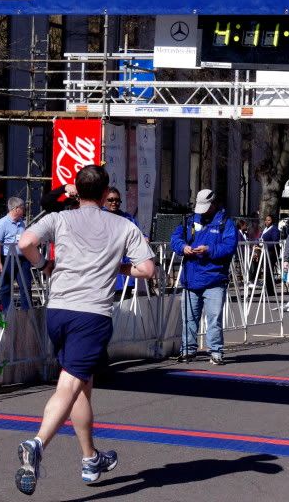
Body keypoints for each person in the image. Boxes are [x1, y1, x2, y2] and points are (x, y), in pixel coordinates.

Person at [13, 164, 155, 495]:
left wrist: (43, 265)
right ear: (106, 194)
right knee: (69, 384)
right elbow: (147, 269)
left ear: (76, 191)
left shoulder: (59, 218)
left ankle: (91, 458)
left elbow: (25, 242)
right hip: (91, 314)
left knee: (80, 384)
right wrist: (121, 267)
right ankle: (37, 444)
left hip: (58, 310)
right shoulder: (123, 225)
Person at [171, 188, 238, 365]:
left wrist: (209, 250)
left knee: (214, 318)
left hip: (215, 278)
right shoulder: (189, 220)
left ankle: (215, 352)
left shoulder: (226, 223)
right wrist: (183, 247)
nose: (202, 212)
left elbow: (229, 247)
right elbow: (175, 238)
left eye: (206, 207)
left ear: (214, 204)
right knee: (189, 318)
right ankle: (188, 350)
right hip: (191, 278)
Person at [0, 197, 33, 311]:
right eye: (22, 208)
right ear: (16, 209)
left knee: (26, 286)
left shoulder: (22, 223)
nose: (24, 210)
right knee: (5, 288)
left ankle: (27, 314)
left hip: (22, 259)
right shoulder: (2, 223)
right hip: (8, 258)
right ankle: (5, 315)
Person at [103, 187, 141, 296]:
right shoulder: (99, 216)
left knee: (126, 303)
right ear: (104, 200)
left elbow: (138, 233)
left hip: (126, 273)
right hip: (106, 273)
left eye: (117, 200)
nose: (114, 202)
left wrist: (144, 238)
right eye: (110, 200)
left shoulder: (128, 218)